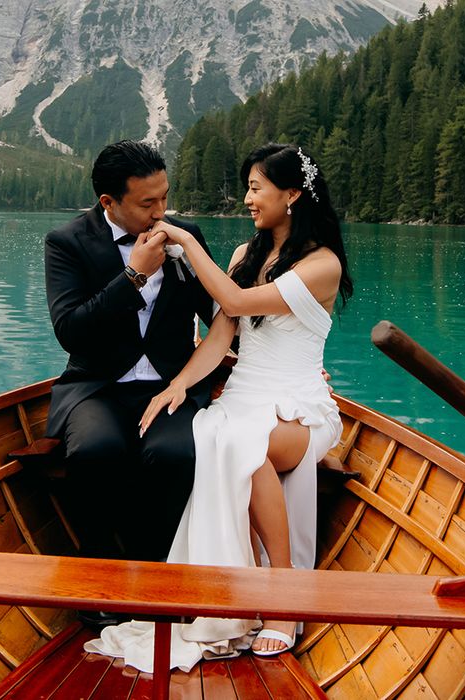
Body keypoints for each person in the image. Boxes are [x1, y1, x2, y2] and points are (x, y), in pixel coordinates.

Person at [85, 143, 353, 668]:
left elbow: (233, 302)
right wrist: (179, 385)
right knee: (220, 435)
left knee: (243, 446)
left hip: (300, 406)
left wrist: (184, 239)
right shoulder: (244, 257)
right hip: (243, 398)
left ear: (292, 194)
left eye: (256, 188)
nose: (248, 199)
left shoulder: (323, 265)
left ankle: (281, 596)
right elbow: (219, 336)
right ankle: (226, 585)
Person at [44, 140, 214, 572]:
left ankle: (154, 564)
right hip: (95, 386)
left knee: (177, 453)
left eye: (165, 197)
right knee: (97, 449)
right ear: (109, 202)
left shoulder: (187, 236)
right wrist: (133, 275)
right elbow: (70, 332)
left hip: (170, 386)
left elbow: (220, 314)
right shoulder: (67, 242)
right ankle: (96, 569)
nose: (161, 213)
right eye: (147, 203)